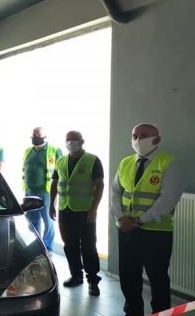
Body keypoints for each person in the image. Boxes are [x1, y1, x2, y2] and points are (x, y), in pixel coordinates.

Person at [110, 123, 184, 316]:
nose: (137, 140)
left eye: (143, 135)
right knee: (128, 275)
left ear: (156, 139)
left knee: (157, 278)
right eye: (134, 136)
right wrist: (120, 217)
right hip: (126, 229)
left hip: (156, 232)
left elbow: (168, 199)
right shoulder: (126, 162)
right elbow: (115, 192)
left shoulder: (169, 163)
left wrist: (140, 220)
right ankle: (133, 311)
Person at [49, 131, 104, 296]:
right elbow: (55, 183)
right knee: (70, 245)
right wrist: (52, 205)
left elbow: (100, 185)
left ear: (81, 141)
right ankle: (76, 275)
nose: (70, 142)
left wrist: (93, 209)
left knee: (88, 246)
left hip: (85, 212)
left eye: (73, 140)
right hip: (65, 210)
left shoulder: (92, 160)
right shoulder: (61, 160)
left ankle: (93, 280)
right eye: (67, 139)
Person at [22, 127, 62, 254]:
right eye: (33, 135)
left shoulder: (54, 150)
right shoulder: (28, 151)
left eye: (38, 135)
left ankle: (47, 249)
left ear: (45, 137)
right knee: (32, 222)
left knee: (48, 221)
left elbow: (61, 170)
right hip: (29, 191)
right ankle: (36, 248)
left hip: (46, 192)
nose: (35, 137)